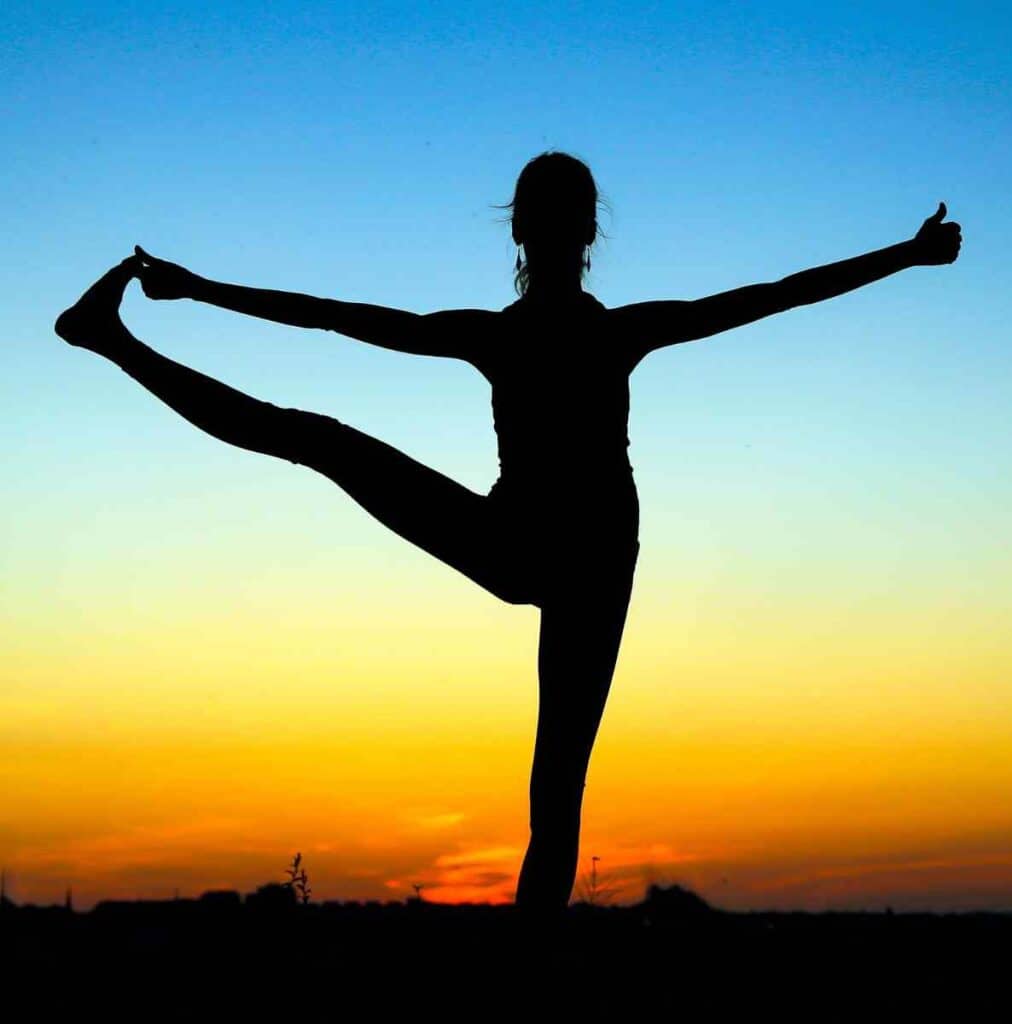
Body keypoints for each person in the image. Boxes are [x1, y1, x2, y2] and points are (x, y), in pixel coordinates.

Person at [54, 151, 962, 923]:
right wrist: (909, 256)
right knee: (556, 788)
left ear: (521, 232)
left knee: (317, 440)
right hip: (572, 550)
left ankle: (112, 342)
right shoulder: (605, 333)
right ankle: (110, 340)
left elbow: (336, 315)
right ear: (581, 234)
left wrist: (201, 288)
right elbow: (773, 296)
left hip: (538, 548)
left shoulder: (510, 335)